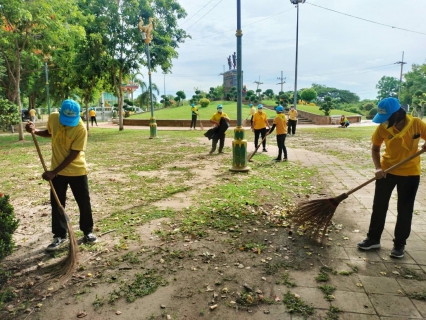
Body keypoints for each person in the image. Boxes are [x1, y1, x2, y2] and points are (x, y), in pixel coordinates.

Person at [357, 97, 426, 258]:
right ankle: (373, 239)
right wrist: (378, 168)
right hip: (386, 171)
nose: (385, 121)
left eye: (387, 117)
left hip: (410, 173)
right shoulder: (383, 127)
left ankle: (399, 244)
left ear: (397, 114)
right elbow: (375, 149)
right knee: (379, 206)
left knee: (405, 210)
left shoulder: (416, 123)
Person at [25, 99, 98, 251]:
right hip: (57, 173)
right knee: (57, 204)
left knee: (83, 202)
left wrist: (53, 172)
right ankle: (60, 235)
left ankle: (87, 231)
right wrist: (34, 131)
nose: (67, 124)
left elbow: (74, 153)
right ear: (60, 113)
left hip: (77, 170)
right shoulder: (53, 117)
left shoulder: (80, 128)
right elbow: (50, 133)